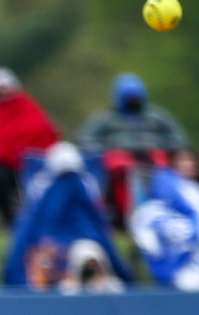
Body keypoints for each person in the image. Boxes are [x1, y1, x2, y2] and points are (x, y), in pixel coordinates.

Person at [3, 142, 132, 289]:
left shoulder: (55, 200)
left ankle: (88, 276)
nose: (68, 182)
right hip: (51, 263)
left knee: (88, 252)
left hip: (82, 252)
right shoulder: (45, 203)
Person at [78, 73, 190, 227]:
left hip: (151, 157)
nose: (133, 102)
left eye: (135, 98)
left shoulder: (156, 117)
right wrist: (106, 150)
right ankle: (115, 211)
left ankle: (169, 207)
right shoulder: (106, 120)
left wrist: (164, 147)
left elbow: (179, 138)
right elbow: (86, 140)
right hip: (121, 160)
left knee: (164, 172)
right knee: (117, 167)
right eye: (129, 98)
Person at [0, 68, 59, 226]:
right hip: (5, 169)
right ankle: (9, 220)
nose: (2, 92)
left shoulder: (28, 107)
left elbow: (42, 134)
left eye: (5, 88)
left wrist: (17, 152)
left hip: (30, 165)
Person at [130, 150, 199, 289]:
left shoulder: (194, 189)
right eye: (182, 160)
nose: (187, 165)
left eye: (190, 161)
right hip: (177, 271)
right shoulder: (156, 205)